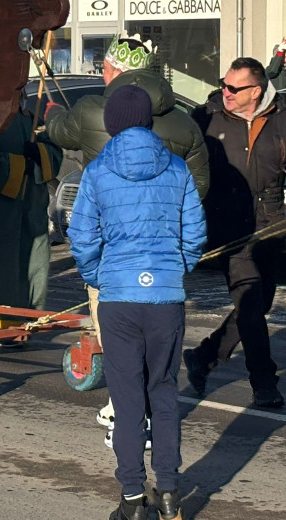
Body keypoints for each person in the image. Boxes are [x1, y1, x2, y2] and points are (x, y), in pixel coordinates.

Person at [45, 33, 209, 431]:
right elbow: (198, 189)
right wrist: (178, 256)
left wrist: (50, 112)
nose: (101, 73)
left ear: (117, 70)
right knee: (159, 348)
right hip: (165, 262)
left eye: (103, 67)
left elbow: (58, 132)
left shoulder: (91, 112)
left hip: (112, 257)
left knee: (117, 338)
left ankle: (127, 414)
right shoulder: (185, 123)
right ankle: (153, 412)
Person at [69, 86, 205, 520]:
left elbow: (82, 236)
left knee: (127, 400)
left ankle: (131, 495)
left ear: (112, 123)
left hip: (119, 298)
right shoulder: (177, 168)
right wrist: (174, 268)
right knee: (163, 392)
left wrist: (98, 275)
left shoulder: (97, 171)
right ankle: (168, 490)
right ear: (148, 120)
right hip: (165, 297)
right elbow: (195, 234)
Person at [184, 58, 286, 408]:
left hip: (270, 225)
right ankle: (264, 381)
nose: (226, 92)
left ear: (256, 91)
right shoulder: (206, 118)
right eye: (224, 84)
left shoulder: (284, 118)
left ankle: (203, 357)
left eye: (234, 88)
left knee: (259, 304)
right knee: (249, 306)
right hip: (228, 227)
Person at [0, 93, 62, 337]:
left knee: (36, 260)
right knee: (3, 263)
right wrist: (21, 165)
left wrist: (39, 154)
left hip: (32, 204)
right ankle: (5, 323)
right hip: (0, 206)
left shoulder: (31, 117)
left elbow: (54, 149)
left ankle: (32, 316)